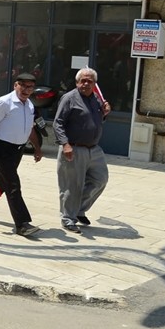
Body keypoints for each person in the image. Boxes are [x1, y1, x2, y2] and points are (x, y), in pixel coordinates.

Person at [0, 72, 44, 237]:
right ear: (15, 85)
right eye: (23, 85)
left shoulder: (29, 105)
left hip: (18, 149)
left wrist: (37, 148)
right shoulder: (5, 102)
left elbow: (30, 129)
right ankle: (22, 224)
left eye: (30, 87)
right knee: (13, 184)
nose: (26, 90)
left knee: (2, 180)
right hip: (2, 148)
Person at [53, 67, 111, 233]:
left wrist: (105, 113)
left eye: (89, 81)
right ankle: (68, 218)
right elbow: (58, 123)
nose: (86, 84)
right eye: (83, 81)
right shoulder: (69, 98)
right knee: (71, 186)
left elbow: (95, 120)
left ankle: (78, 209)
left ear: (94, 84)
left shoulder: (96, 99)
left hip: (94, 149)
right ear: (77, 82)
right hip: (73, 148)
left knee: (100, 180)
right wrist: (65, 144)